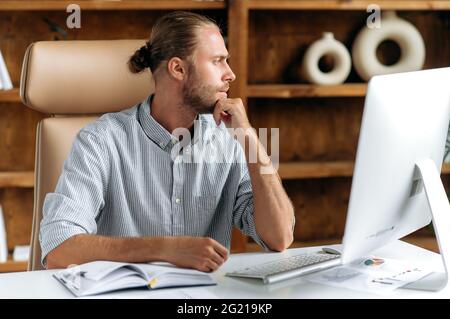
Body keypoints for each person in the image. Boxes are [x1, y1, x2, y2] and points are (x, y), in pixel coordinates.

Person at [41, 11, 295, 272]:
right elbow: (58, 250)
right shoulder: (100, 141)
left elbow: (279, 238)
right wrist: (163, 249)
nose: (230, 74)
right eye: (218, 61)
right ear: (178, 69)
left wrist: (250, 138)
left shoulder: (231, 141)